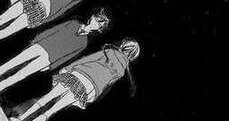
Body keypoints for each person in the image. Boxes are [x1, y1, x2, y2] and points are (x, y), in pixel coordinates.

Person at [11, 40, 139, 121]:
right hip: (89, 89)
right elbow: (106, 85)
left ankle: (21, 118)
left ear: (123, 45)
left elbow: (86, 60)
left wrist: (67, 68)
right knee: (53, 110)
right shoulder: (122, 72)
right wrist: (92, 97)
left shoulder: (109, 51)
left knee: (46, 99)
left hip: (80, 75)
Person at [0, 10, 110, 95]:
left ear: (99, 29)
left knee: (23, 74)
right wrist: (36, 41)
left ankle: (2, 85)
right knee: (12, 63)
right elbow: (53, 30)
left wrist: (51, 66)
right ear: (92, 17)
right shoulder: (74, 23)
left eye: (99, 23)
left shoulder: (84, 43)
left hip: (48, 59)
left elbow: (67, 57)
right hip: (42, 45)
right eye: (96, 18)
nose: (95, 22)